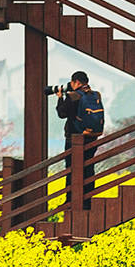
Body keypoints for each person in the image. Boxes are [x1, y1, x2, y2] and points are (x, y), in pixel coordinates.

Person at [54, 71, 105, 210]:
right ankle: (87, 201)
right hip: (92, 137)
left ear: (76, 82)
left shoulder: (74, 96)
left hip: (75, 139)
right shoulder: (95, 95)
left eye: (71, 82)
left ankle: (70, 200)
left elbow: (61, 113)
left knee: (72, 169)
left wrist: (60, 97)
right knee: (88, 167)